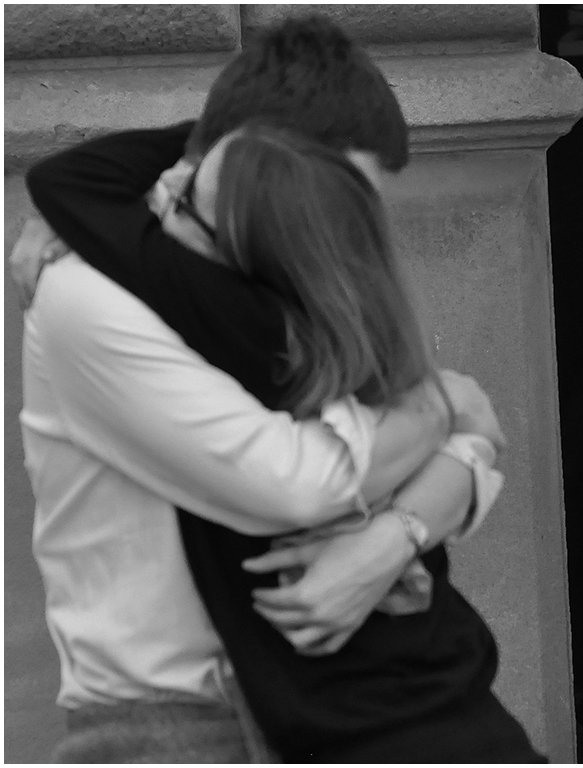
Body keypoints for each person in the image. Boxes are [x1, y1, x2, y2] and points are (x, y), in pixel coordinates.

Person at [16, 16, 540, 763]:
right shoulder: (95, 290)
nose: (337, 228)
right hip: (182, 729)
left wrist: (397, 533)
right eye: (327, 194)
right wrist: (447, 407)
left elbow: (459, 447)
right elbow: (301, 481)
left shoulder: (299, 287)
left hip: (376, 704)